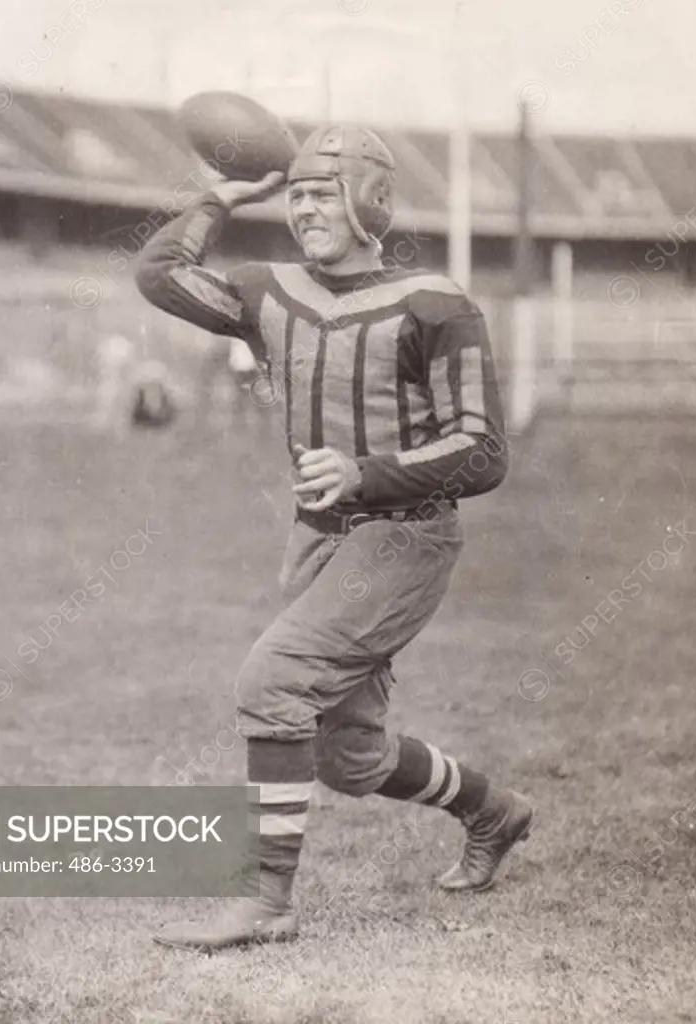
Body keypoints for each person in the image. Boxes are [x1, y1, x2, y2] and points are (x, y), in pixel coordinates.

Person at [135, 125, 534, 950]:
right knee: (345, 758)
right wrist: (220, 197)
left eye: (324, 192)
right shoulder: (268, 290)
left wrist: (365, 472)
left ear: (369, 201)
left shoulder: (435, 302)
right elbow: (159, 274)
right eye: (298, 194)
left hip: (404, 536)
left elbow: (485, 449)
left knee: (270, 681)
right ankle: (493, 811)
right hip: (317, 541)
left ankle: (266, 903)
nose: (306, 208)